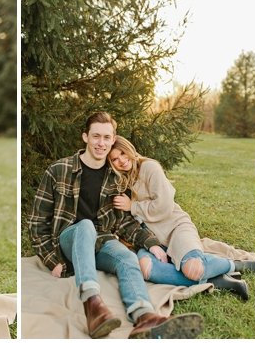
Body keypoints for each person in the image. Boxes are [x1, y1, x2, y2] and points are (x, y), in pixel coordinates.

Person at [28, 111, 203, 339]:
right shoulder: (58, 170)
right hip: (69, 239)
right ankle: (93, 306)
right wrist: (52, 260)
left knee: (128, 258)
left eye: (106, 138)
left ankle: (144, 317)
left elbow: (123, 222)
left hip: (101, 241)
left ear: (113, 140)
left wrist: (151, 244)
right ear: (85, 137)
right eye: (96, 136)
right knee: (86, 227)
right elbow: (37, 222)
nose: (101, 143)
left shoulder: (116, 178)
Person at [109, 135, 255, 301]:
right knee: (146, 268)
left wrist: (132, 206)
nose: (122, 161)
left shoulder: (149, 167)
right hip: (152, 241)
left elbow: (164, 205)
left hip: (176, 227)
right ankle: (219, 280)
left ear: (129, 149)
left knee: (193, 268)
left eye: (123, 153)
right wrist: (150, 244)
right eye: (115, 159)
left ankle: (236, 264)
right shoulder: (119, 183)